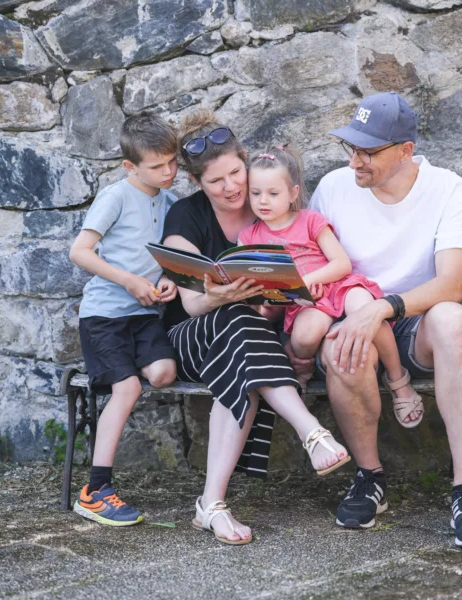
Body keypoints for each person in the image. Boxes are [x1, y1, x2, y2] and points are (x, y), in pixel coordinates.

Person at [297, 92, 462, 548]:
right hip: (349, 314)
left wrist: (382, 307)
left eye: (368, 152)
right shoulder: (333, 187)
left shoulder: (448, 188)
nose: (355, 163)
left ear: (405, 151)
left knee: (453, 319)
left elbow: (451, 284)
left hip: (415, 321)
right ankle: (370, 478)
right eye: (351, 149)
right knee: (343, 345)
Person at [161, 109, 350, 546]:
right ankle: (311, 432)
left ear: (245, 160)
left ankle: (211, 506)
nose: (231, 187)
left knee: (242, 344)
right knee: (233, 318)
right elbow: (191, 305)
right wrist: (222, 296)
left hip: (252, 336)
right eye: (215, 181)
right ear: (197, 184)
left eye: (234, 173)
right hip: (193, 336)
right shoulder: (185, 219)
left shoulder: (267, 202)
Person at [238, 146, 423, 427]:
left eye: (273, 194)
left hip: (337, 285)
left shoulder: (310, 220)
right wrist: (280, 298)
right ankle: (302, 371)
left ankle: (398, 379)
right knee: (304, 336)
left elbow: (341, 263)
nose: (263, 201)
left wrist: (311, 280)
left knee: (367, 310)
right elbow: (260, 289)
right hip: (302, 303)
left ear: (293, 194)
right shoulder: (249, 237)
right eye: (255, 193)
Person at [69, 113, 180, 526]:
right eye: (157, 166)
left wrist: (167, 279)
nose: (168, 172)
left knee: (165, 372)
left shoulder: (169, 202)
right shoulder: (115, 196)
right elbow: (79, 252)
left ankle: (123, 375)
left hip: (144, 316)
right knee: (129, 388)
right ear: (130, 166)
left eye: (172, 161)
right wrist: (130, 280)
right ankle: (95, 490)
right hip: (105, 317)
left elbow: (170, 258)